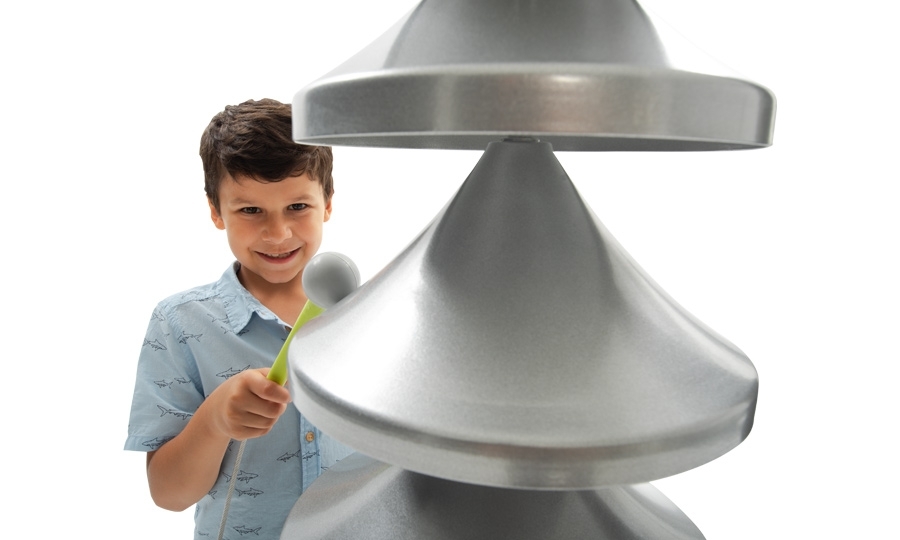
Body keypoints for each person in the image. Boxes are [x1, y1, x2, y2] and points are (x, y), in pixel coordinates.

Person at [124, 98, 354, 540]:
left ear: (327, 203)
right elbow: (168, 494)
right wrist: (214, 420)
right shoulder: (179, 323)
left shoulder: (370, 315)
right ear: (216, 211)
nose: (278, 234)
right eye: (251, 210)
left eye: (297, 207)